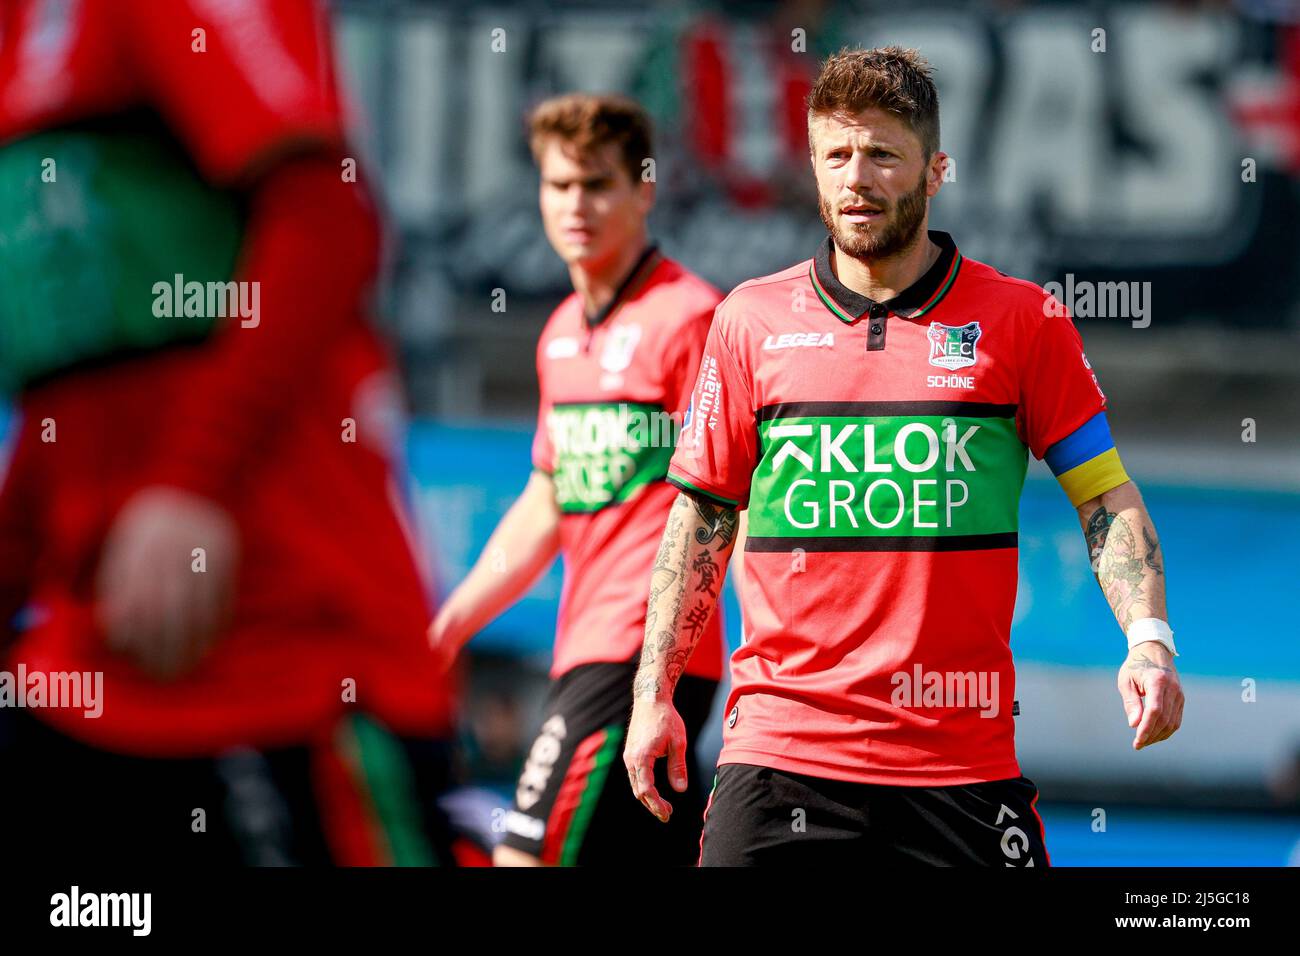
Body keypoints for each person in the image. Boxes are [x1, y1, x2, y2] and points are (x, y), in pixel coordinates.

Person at [624, 46, 1184, 866]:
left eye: (884, 154)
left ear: (935, 169)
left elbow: (1103, 497)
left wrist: (1149, 639)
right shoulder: (749, 321)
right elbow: (703, 517)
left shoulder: (1024, 321)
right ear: (812, 169)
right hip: (780, 758)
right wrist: (654, 693)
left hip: (958, 769)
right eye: (837, 156)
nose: (858, 179)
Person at [0, 0, 460, 865]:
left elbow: (328, 216)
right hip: (81, 679)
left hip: (291, 673)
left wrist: (188, 484)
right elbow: (70, 385)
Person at [429, 94, 725, 866]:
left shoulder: (690, 318)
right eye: (559, 185)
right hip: (584, 644)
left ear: (644, 190)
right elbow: (547, 499)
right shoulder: (560, 333)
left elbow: (734, 496)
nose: (575, 205)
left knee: (524, 851)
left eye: (597, 184)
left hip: (642, 654)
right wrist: (454, 621)